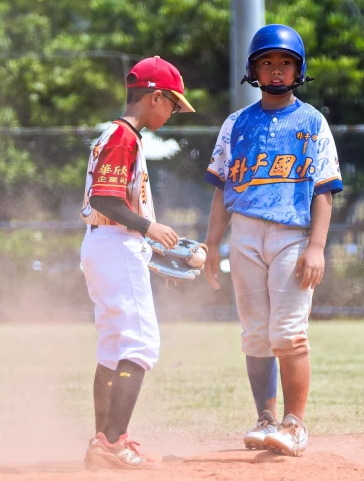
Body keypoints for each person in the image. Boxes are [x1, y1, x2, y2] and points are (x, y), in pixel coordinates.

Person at [203, 24, 343, 457]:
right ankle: (265, 420)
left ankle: (295, 424)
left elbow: (323, 190)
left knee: (288, 334)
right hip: (244, 235)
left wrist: (316, 247)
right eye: (267, 62)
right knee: (255, 335)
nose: (277, 70)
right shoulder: (235, 124)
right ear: (253, 71)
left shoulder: (312, 121)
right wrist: (211, 246)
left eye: (286, 62)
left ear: (298, 70)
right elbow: (222, 191)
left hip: (291, 236)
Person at [80, 56, 195, 470]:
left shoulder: (115, 134)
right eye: (173, 105)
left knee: (113, 346)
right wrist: (149, 229)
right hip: (115, 243)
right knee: (141, 344)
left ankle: (104, 441)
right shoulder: (123, 137)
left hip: (102, 245)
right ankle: (114, 442)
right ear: (155, 97)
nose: (174, 113)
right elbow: (104, 199)